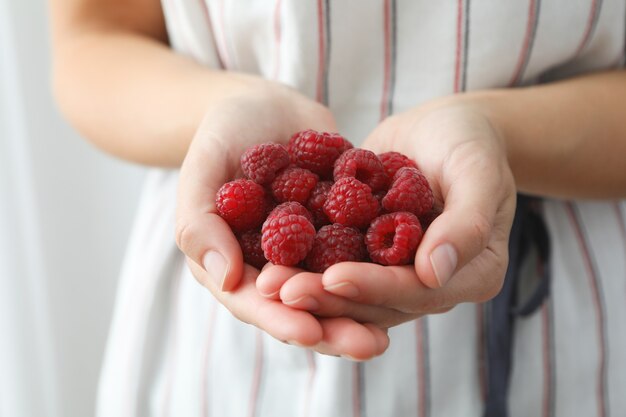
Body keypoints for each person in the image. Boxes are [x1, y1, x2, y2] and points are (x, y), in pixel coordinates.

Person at [50, 0, 626, 416]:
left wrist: (502, 134)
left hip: (560, 324)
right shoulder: (287, 205)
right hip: (211, 339)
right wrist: (221, 108)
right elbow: (91, 40)